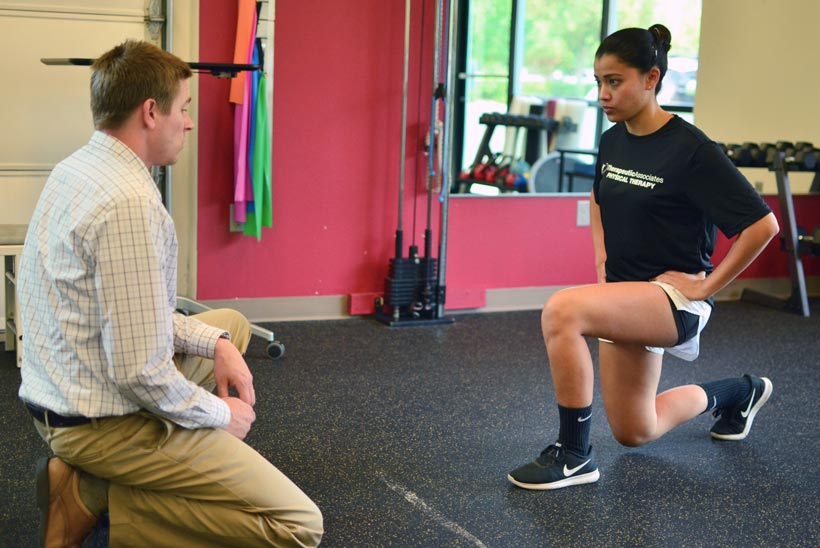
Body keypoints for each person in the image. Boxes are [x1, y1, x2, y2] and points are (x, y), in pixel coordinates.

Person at [18, 40, 323, 546]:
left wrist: (218, 342)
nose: (189, 122)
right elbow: (140, 372)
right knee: (299, 526)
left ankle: (98, 479)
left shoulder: (78, 168)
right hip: (97, 425)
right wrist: (222, 416)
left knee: (231, 325)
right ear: (151, 112)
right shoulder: (129, 203)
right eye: (184, 108)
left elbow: (131, 311)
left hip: (59, 394)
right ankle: (96, 496)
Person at [508, 24, 779, 491]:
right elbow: (597, 198)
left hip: (674, 297)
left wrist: (707, 288)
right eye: (598, 82)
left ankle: (574, 454)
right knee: (637, 430)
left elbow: (763, 225)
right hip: (626, 293)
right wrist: (602, 263)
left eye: (615, 81)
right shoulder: (614, 139)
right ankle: (739, 391)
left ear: (651, 78)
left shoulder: (692, 151)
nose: (603, 94)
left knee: (562, 311)